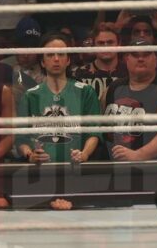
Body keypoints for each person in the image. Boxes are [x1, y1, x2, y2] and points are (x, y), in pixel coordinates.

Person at [16, 35, 101, 164]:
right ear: (42, 62)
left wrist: (84, 154)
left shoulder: (85, 92)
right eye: (50, 55)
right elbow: (21, 139)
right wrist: (30, 155)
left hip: (77, 170)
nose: (56, 59)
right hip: (40, 172)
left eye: (61, 54)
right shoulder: (30, 96)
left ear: (68, 60)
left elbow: (94, 133)